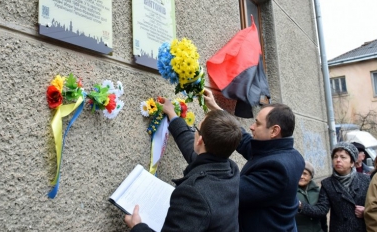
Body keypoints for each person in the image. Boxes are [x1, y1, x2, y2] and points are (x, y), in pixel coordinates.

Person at [124, 98, 242, 231]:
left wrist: (137, 227)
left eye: (196, 129)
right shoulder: (229, 169)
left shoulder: (194, 194)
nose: (194, 133)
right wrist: (172, 115)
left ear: (200, 140)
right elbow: (192, 149)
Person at [204, 89, 305, 232]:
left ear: (274, 131)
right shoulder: (282, 152)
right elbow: (243, 140)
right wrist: (216, 108)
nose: (251, 127)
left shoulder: (278, 168)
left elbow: (229, 190)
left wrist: (201, 153)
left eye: (257, 124)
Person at [299, 142, 370, 232]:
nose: (338, 160)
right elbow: (321, 210)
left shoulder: (366, 180)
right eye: (335, 157)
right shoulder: (327, 183)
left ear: (352, 162)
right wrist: (300, 205)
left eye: (343, 157)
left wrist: (367, 212)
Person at [295, 161, 327, 232]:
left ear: (311, 176)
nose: (301, 176)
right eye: (299, 173)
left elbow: (322, 216)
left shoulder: (318, 192)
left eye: (305, 174)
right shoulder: (291, 192)